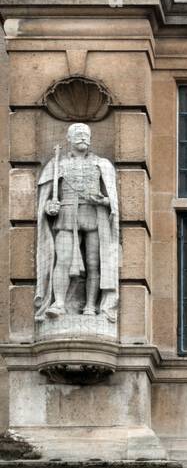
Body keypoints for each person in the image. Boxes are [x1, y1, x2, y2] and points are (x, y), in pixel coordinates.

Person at [36, 123, 119, 322]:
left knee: (93, 263)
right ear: (69, 139)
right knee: (62, 260)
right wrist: (49, 207)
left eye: (86, 135)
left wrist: (103, 200)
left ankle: (91, 305)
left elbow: (112, 200)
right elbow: (45, 200)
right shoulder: (57, 164)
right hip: (66, 214)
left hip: (93, 216)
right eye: (78, 134)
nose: (83, 137)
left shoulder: (102, 164)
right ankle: (59, 303)